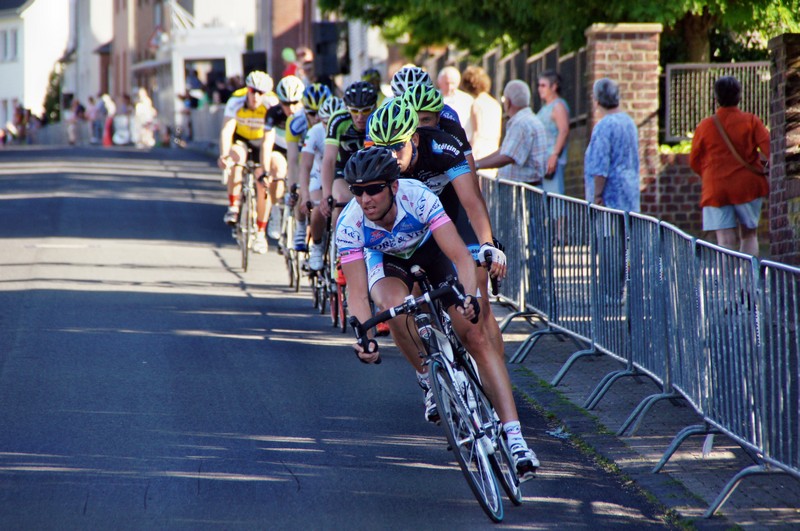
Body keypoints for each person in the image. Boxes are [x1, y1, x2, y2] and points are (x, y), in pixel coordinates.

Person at [337, 146, 540, 481]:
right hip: (386, 262)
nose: (365, 199)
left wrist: (470, 297)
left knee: (474, 334)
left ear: (393, 186)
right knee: (392, 307)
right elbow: (357, 293)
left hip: (432, 250)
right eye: (357, 191)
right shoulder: (350, 223)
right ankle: (427, 375)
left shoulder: (417, 197)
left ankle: (515, 437)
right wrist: (366, 336)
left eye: (373, 189)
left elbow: (460, 257)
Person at [690, 75, 769, 256]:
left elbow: (694, 161)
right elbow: (771, 150)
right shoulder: (751, 121)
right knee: (749, 235)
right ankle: (748, 274)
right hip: (747, 187)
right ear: (739, 96)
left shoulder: (705, 126)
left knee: (725, 241)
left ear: (716, 98)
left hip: (716, 188)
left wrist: (710, 174)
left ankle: (727, 275)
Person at [218, 71, 279, 254]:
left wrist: (265, 170)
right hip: (242, 139)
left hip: (262, 142)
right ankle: (233, 206)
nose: (256, 96)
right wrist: (224, 155)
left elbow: (268, 141)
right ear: (247, 89)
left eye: (261, 93)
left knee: (262, 183)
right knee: (236, 157)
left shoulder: (271, 103)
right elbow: (227, 130)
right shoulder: (236, 100)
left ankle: (260, 232)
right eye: (253, 91)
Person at [298, 96, 346, 270]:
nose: (331, 126)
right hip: (319, 175)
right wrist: (305, 196)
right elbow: (305, 166)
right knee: (318, 208)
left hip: (341, 176)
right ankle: (317, 246)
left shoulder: (348, 129)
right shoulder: (315, 132)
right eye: (326, 122)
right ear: (320, 120)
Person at [474, 80, 548, 186]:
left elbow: (508, 156)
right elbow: (505, 150)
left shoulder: (520, 123)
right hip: (530, 186)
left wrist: (477, 165)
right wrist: (477, 163)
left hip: (522, 188)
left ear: (508, 102)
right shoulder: (531, 120)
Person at [584, 78, 640, 211]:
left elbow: (600, 166)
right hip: (630, 193)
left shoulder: (603, 126)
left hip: (610, 198)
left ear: (597, 100)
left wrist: (597, 194)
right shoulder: (629, 123)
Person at [537, 70, 570, 195]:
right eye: (539, 85)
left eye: (543, 85)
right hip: (543, 162)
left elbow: (563, 130)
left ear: (554, 86)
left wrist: (554, 155)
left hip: (552, 162)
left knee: (554, 197)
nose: (540, 89)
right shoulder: (545, 107)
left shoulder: (558, 106)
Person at [461, 66, 501, 166]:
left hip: (479, 152)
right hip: (493, 149)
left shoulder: (476, 104)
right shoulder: (495, 104)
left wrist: (469, 157)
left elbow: (476, 133)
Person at [437, 66, 474, 138]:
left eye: (452, 83)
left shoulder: (466, 100)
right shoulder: (432, 97)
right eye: (446, 83)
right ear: (439, 82)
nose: (449, 87)